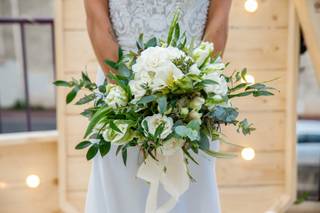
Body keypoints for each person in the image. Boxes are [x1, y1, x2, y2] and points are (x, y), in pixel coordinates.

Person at [84, 1, 232, 212]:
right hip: (118, 86)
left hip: (193, 96)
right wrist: (130, 98)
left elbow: (219, 21)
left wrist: (192, 92)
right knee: (122, 192)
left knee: (191, 192)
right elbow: (96, 21)